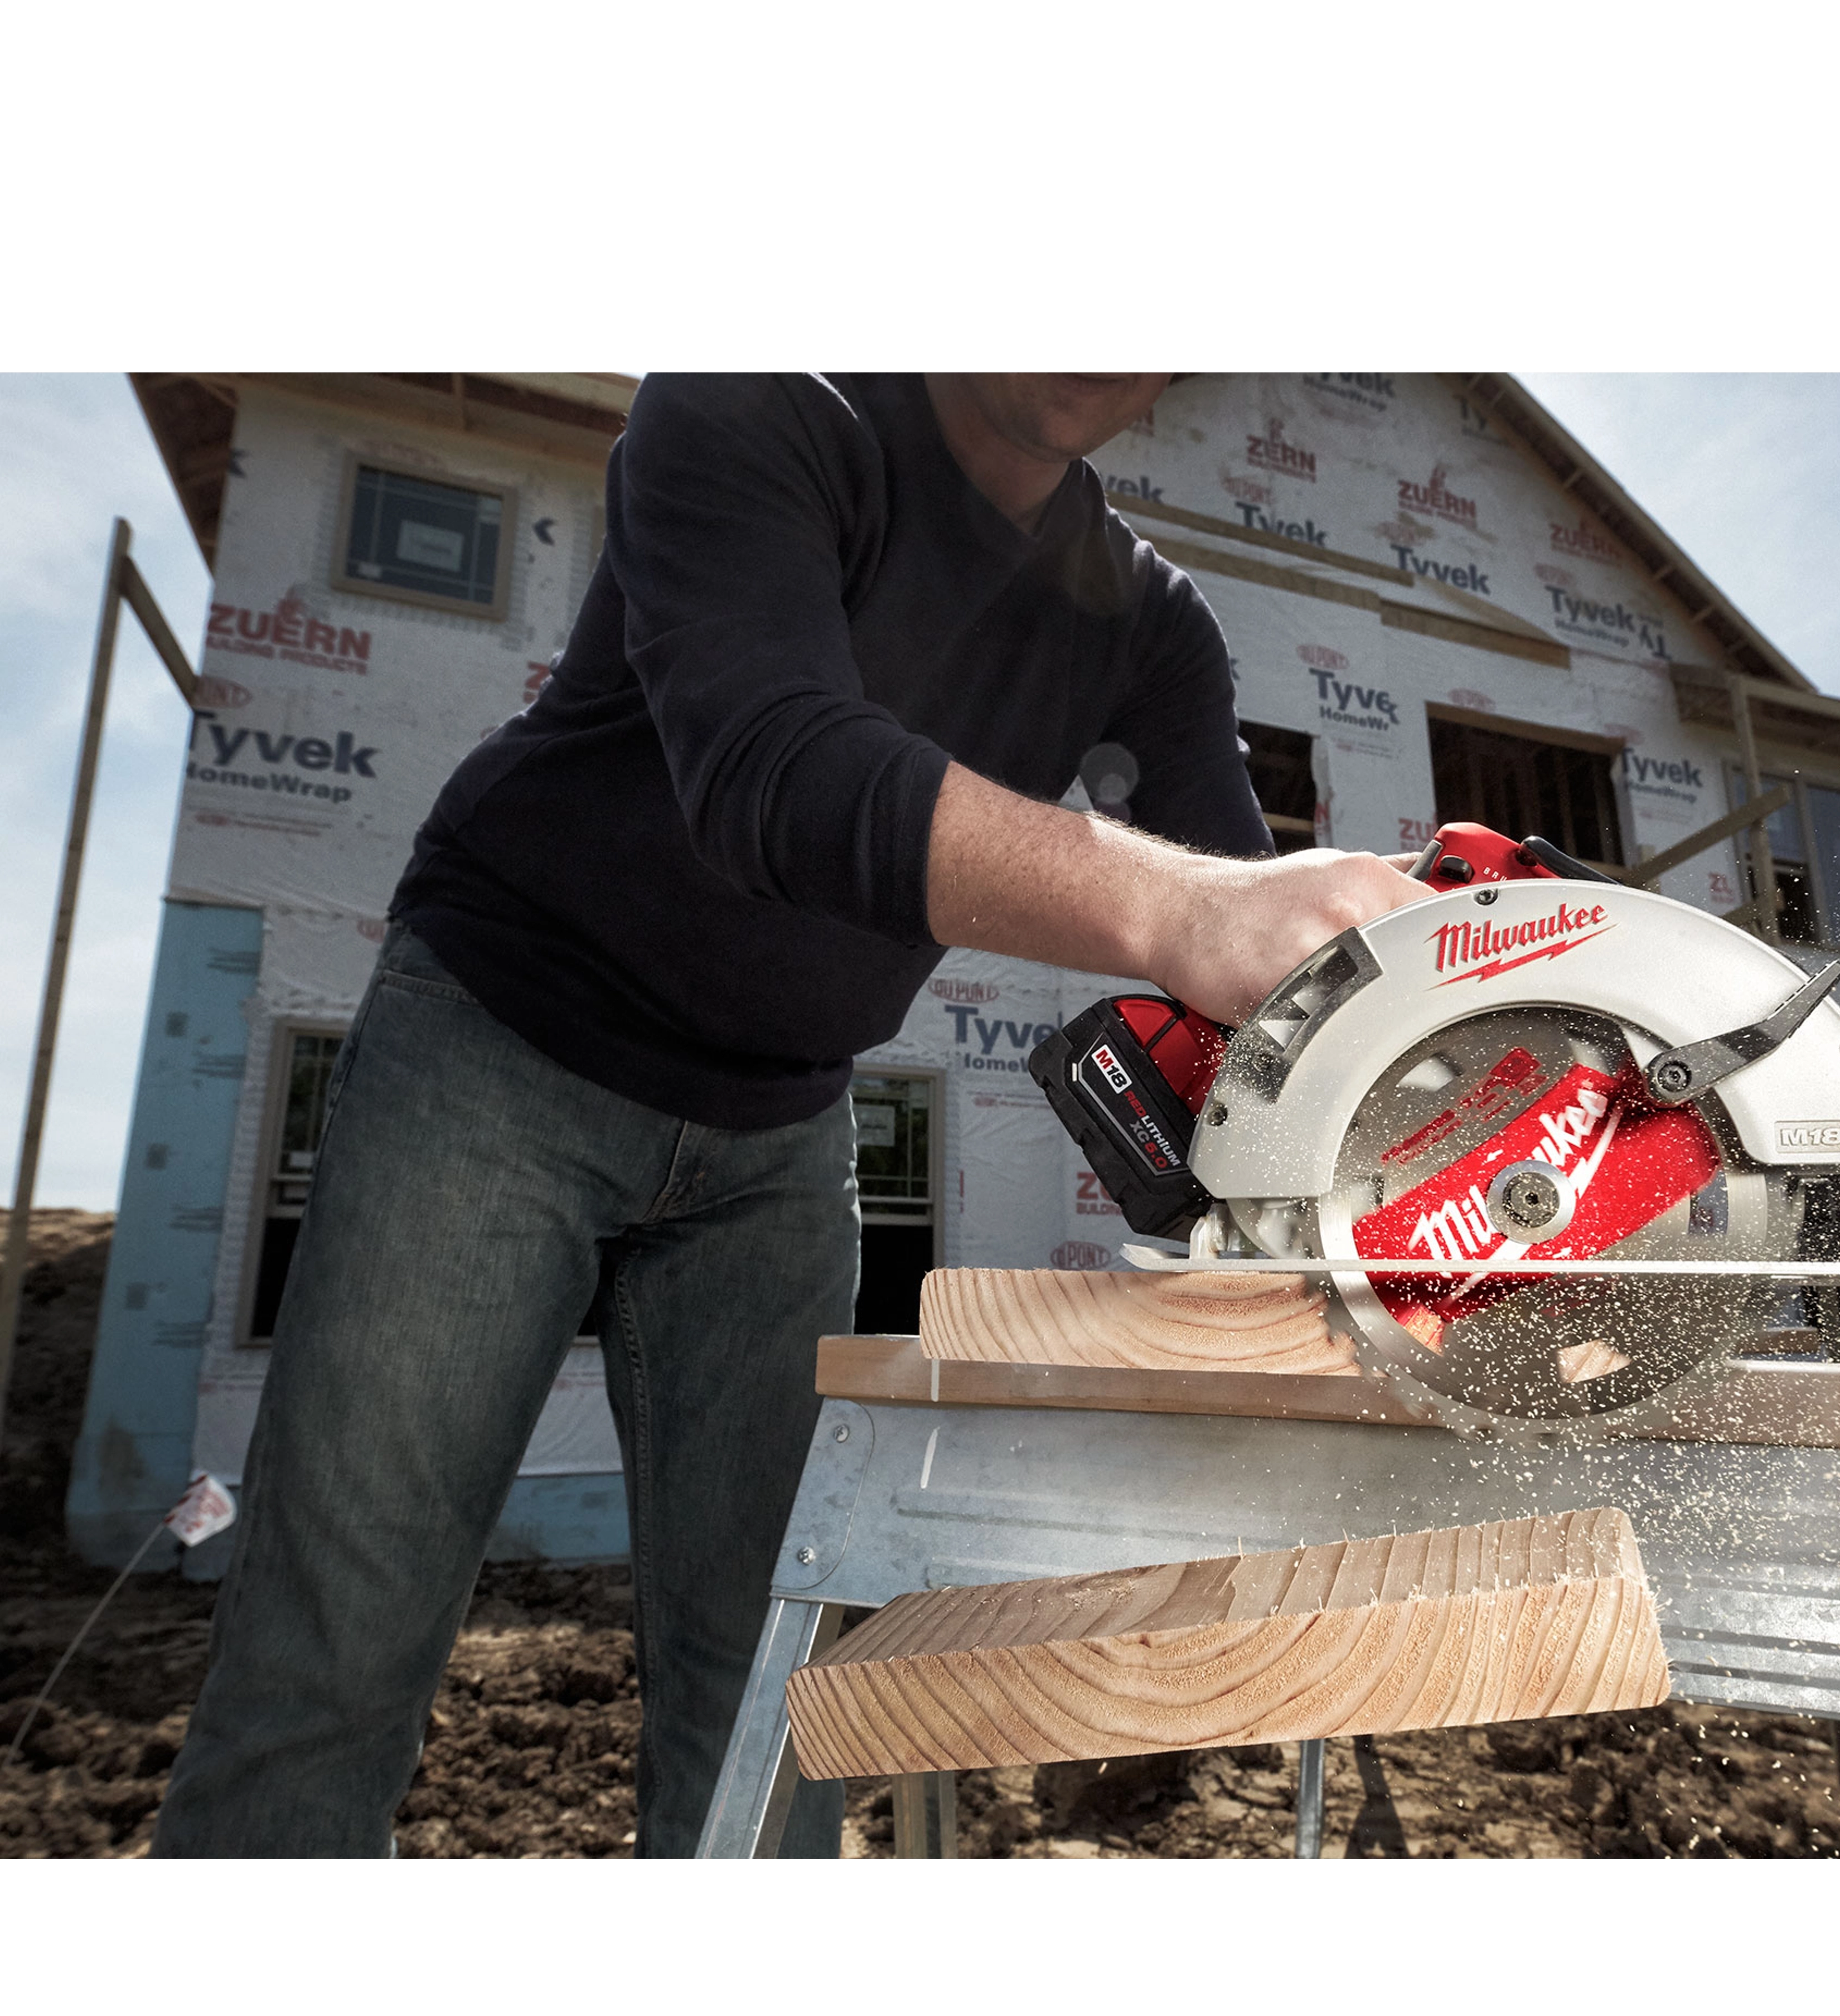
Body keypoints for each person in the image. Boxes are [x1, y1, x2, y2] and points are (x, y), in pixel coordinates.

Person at [152, 371, 1422, 1859]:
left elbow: (1257, 987)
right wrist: (1185, 906)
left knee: (775, 1680)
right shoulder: (757, 405)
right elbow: (773, 766)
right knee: (337, 1648)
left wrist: (1424, 1078)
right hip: (498, 1044)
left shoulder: (1147, 624)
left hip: (777, 1128)